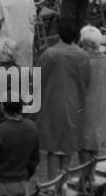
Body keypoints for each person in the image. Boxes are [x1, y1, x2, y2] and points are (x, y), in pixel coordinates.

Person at [35, 19, 89, 173]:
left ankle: (53, 183)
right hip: (75, 105)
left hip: (53, 105)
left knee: (54, 147)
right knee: (67, 146)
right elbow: (86, 80)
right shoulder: (83, 55)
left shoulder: (50, 54)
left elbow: (37, 79)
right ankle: (62, 181)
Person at [79, 27, 106, 156]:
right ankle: (90, 174)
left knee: (85, 144)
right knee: (95, 143)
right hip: (101, 107)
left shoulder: (83, 61)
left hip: (86, 108)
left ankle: (86, 175)